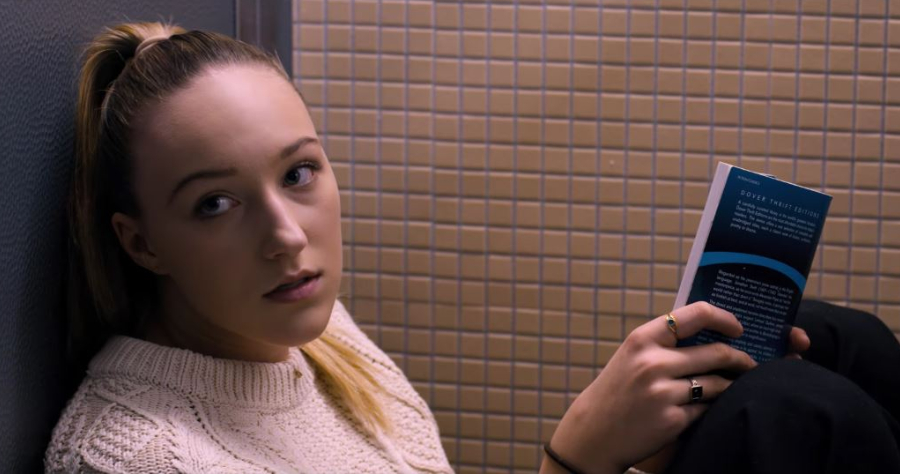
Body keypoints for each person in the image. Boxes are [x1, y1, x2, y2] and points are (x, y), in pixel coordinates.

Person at [45, 22, 900, 474]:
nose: (284, 236)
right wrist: (575, 457)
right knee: (793, 414)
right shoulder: (137, 457)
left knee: (832, 340)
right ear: (141, 242)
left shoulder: (308, 329)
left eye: (300, 174)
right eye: (216, 203)